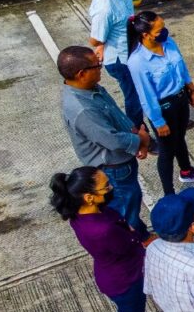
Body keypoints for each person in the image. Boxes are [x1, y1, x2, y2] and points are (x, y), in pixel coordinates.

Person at [49, 166, 178, 312]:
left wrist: (129, 231)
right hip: (126, 280)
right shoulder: (103, 229)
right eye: (105, 186)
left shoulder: (80, 215)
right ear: (89, 197)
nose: (110, 188)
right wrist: (133, 234)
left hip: (110, 275)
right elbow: (129, 243)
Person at [58, 45, 152, 236]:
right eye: (97, 65)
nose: (101, 67)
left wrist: (136, 138)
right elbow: (112, 140)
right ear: (82, 73)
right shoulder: (82, 109)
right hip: (113, 167)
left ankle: (139, 233)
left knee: (131, 201)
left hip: (122, 159)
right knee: (126, 206)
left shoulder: (90, 88)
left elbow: (114, 115)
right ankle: (138, 239)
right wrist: (139, 139)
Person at [127, 11, 194, 195]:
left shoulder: (168, 43)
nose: (164, 32)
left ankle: (186, 171)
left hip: (180, 99)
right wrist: (158, 121)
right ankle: (169, 193)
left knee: (180, 138)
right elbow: (146, 96)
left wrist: (192, 89)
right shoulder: (138, 62)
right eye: (159, 30)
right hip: (164, 109)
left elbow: (182, 67)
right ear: (145, 34)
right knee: (166, 150)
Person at [89, 0, 146, 136]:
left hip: (133, 49)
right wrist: (101, 45)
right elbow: (95, 38)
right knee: (134, 97)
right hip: (119, 59)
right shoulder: (104, 7)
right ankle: (137, 133)